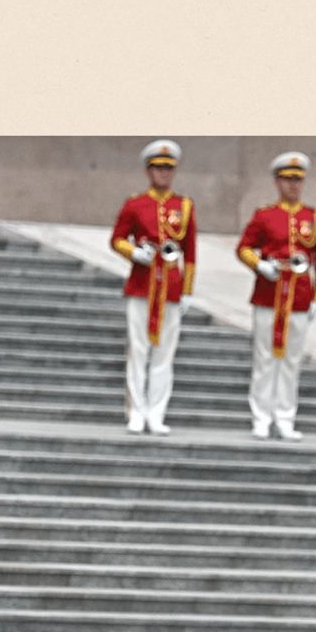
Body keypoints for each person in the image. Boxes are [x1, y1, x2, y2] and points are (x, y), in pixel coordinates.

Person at [236, 151, 316, 441]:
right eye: (288, 179)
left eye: (298, 180)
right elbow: (244, 248)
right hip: (269, 294)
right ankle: (262, 417)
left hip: (299, 297)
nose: (293, 185)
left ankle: (285, 416)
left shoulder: (313, 218)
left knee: (292, 360)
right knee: (264, 358)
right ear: (277, 182)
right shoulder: (265, 215)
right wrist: (261, 265)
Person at [110, 139, 197, 436]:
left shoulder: (183, 206)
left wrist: (186, 290)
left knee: (164, 354)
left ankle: (156, 412)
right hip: (141, 284)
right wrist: (134, 253)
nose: (164, 174)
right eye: (159, 168)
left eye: (168, 169)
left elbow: (191, 253)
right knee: (138, 350)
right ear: (149, 171)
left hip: (170, 286)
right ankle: (136, 411)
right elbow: (117, 238)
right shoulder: (136, 204)